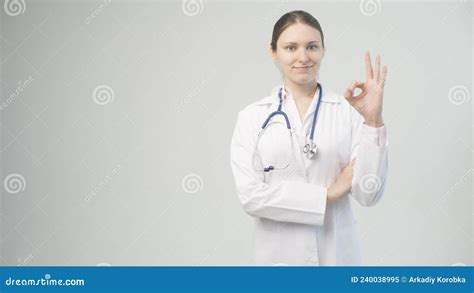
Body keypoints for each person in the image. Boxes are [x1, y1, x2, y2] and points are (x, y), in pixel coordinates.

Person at [229, 10, 388, 266]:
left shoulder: (347, 112)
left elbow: (369, 194)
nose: (303, 57)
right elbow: (251, 197)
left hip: (337, 258)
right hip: (277, 262)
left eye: (312, 47)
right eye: (291, 47)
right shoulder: (251, 118)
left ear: (323, 50)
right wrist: (327, 194)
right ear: (274, 52)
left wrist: (373, 122)